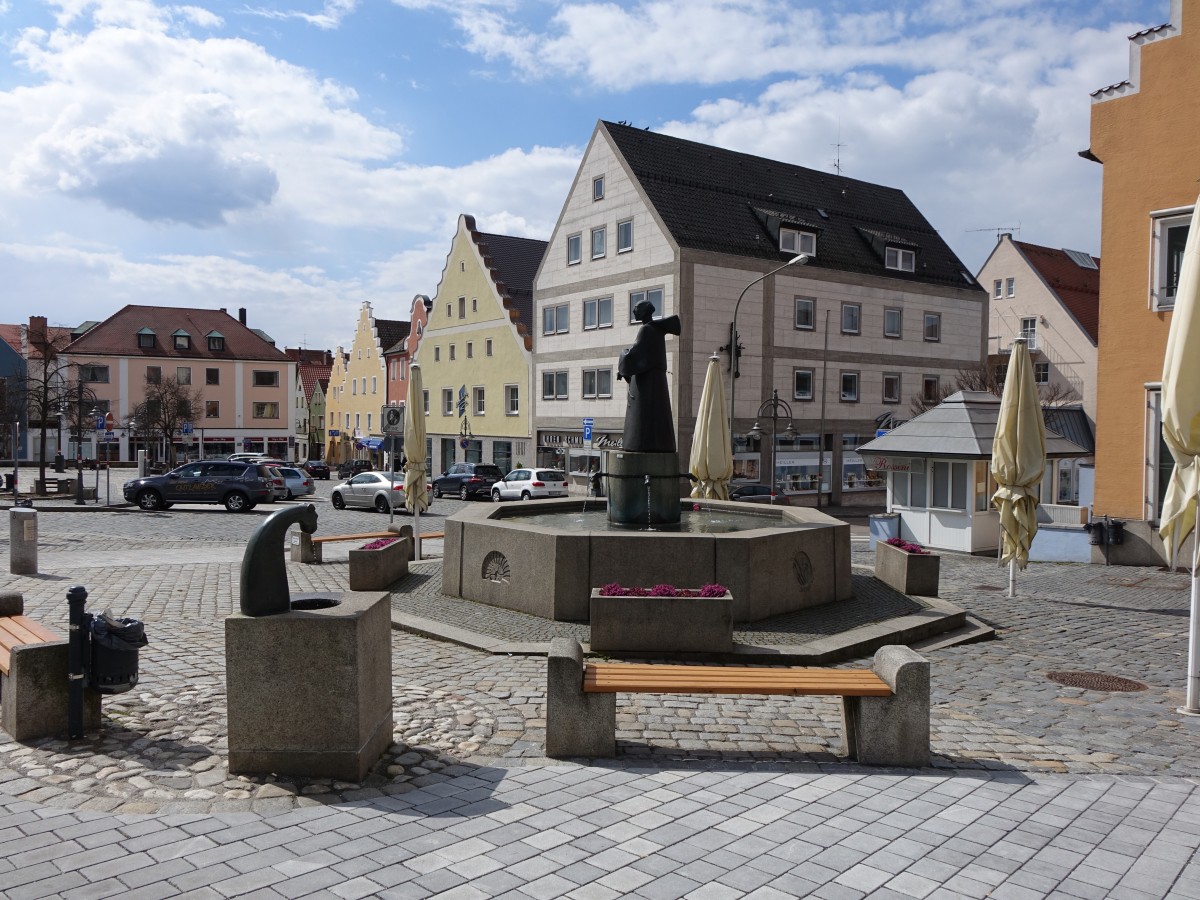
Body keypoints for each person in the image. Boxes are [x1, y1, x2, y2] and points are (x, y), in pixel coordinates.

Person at [617, 300, 682, 453]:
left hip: (646, 384)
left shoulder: (647, 330)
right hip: (656, 382)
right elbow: (641, 356)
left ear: (645, 311)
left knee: (642, 420)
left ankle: (640, 443)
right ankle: (658, 443)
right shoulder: (656, 330)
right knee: (657, 416)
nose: (634, 311)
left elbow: (635, 355)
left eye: (637, 309)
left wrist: (623, 356)